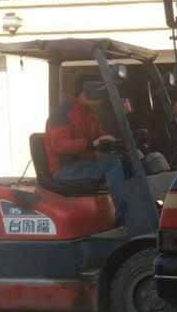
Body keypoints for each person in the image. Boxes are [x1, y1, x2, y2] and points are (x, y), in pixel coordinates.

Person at [44, 81, 127, 226]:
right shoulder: (62, 113)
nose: (100, 103)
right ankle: (124, 219)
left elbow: (99, 135)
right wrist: (91, 144)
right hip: (65, 169)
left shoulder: (88, 112)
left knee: (125, 160)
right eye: (99, 99)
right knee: (112, 164)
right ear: (88, 95)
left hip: (82, 163)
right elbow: (59, 145)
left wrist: (112, 142)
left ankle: (141, 209)